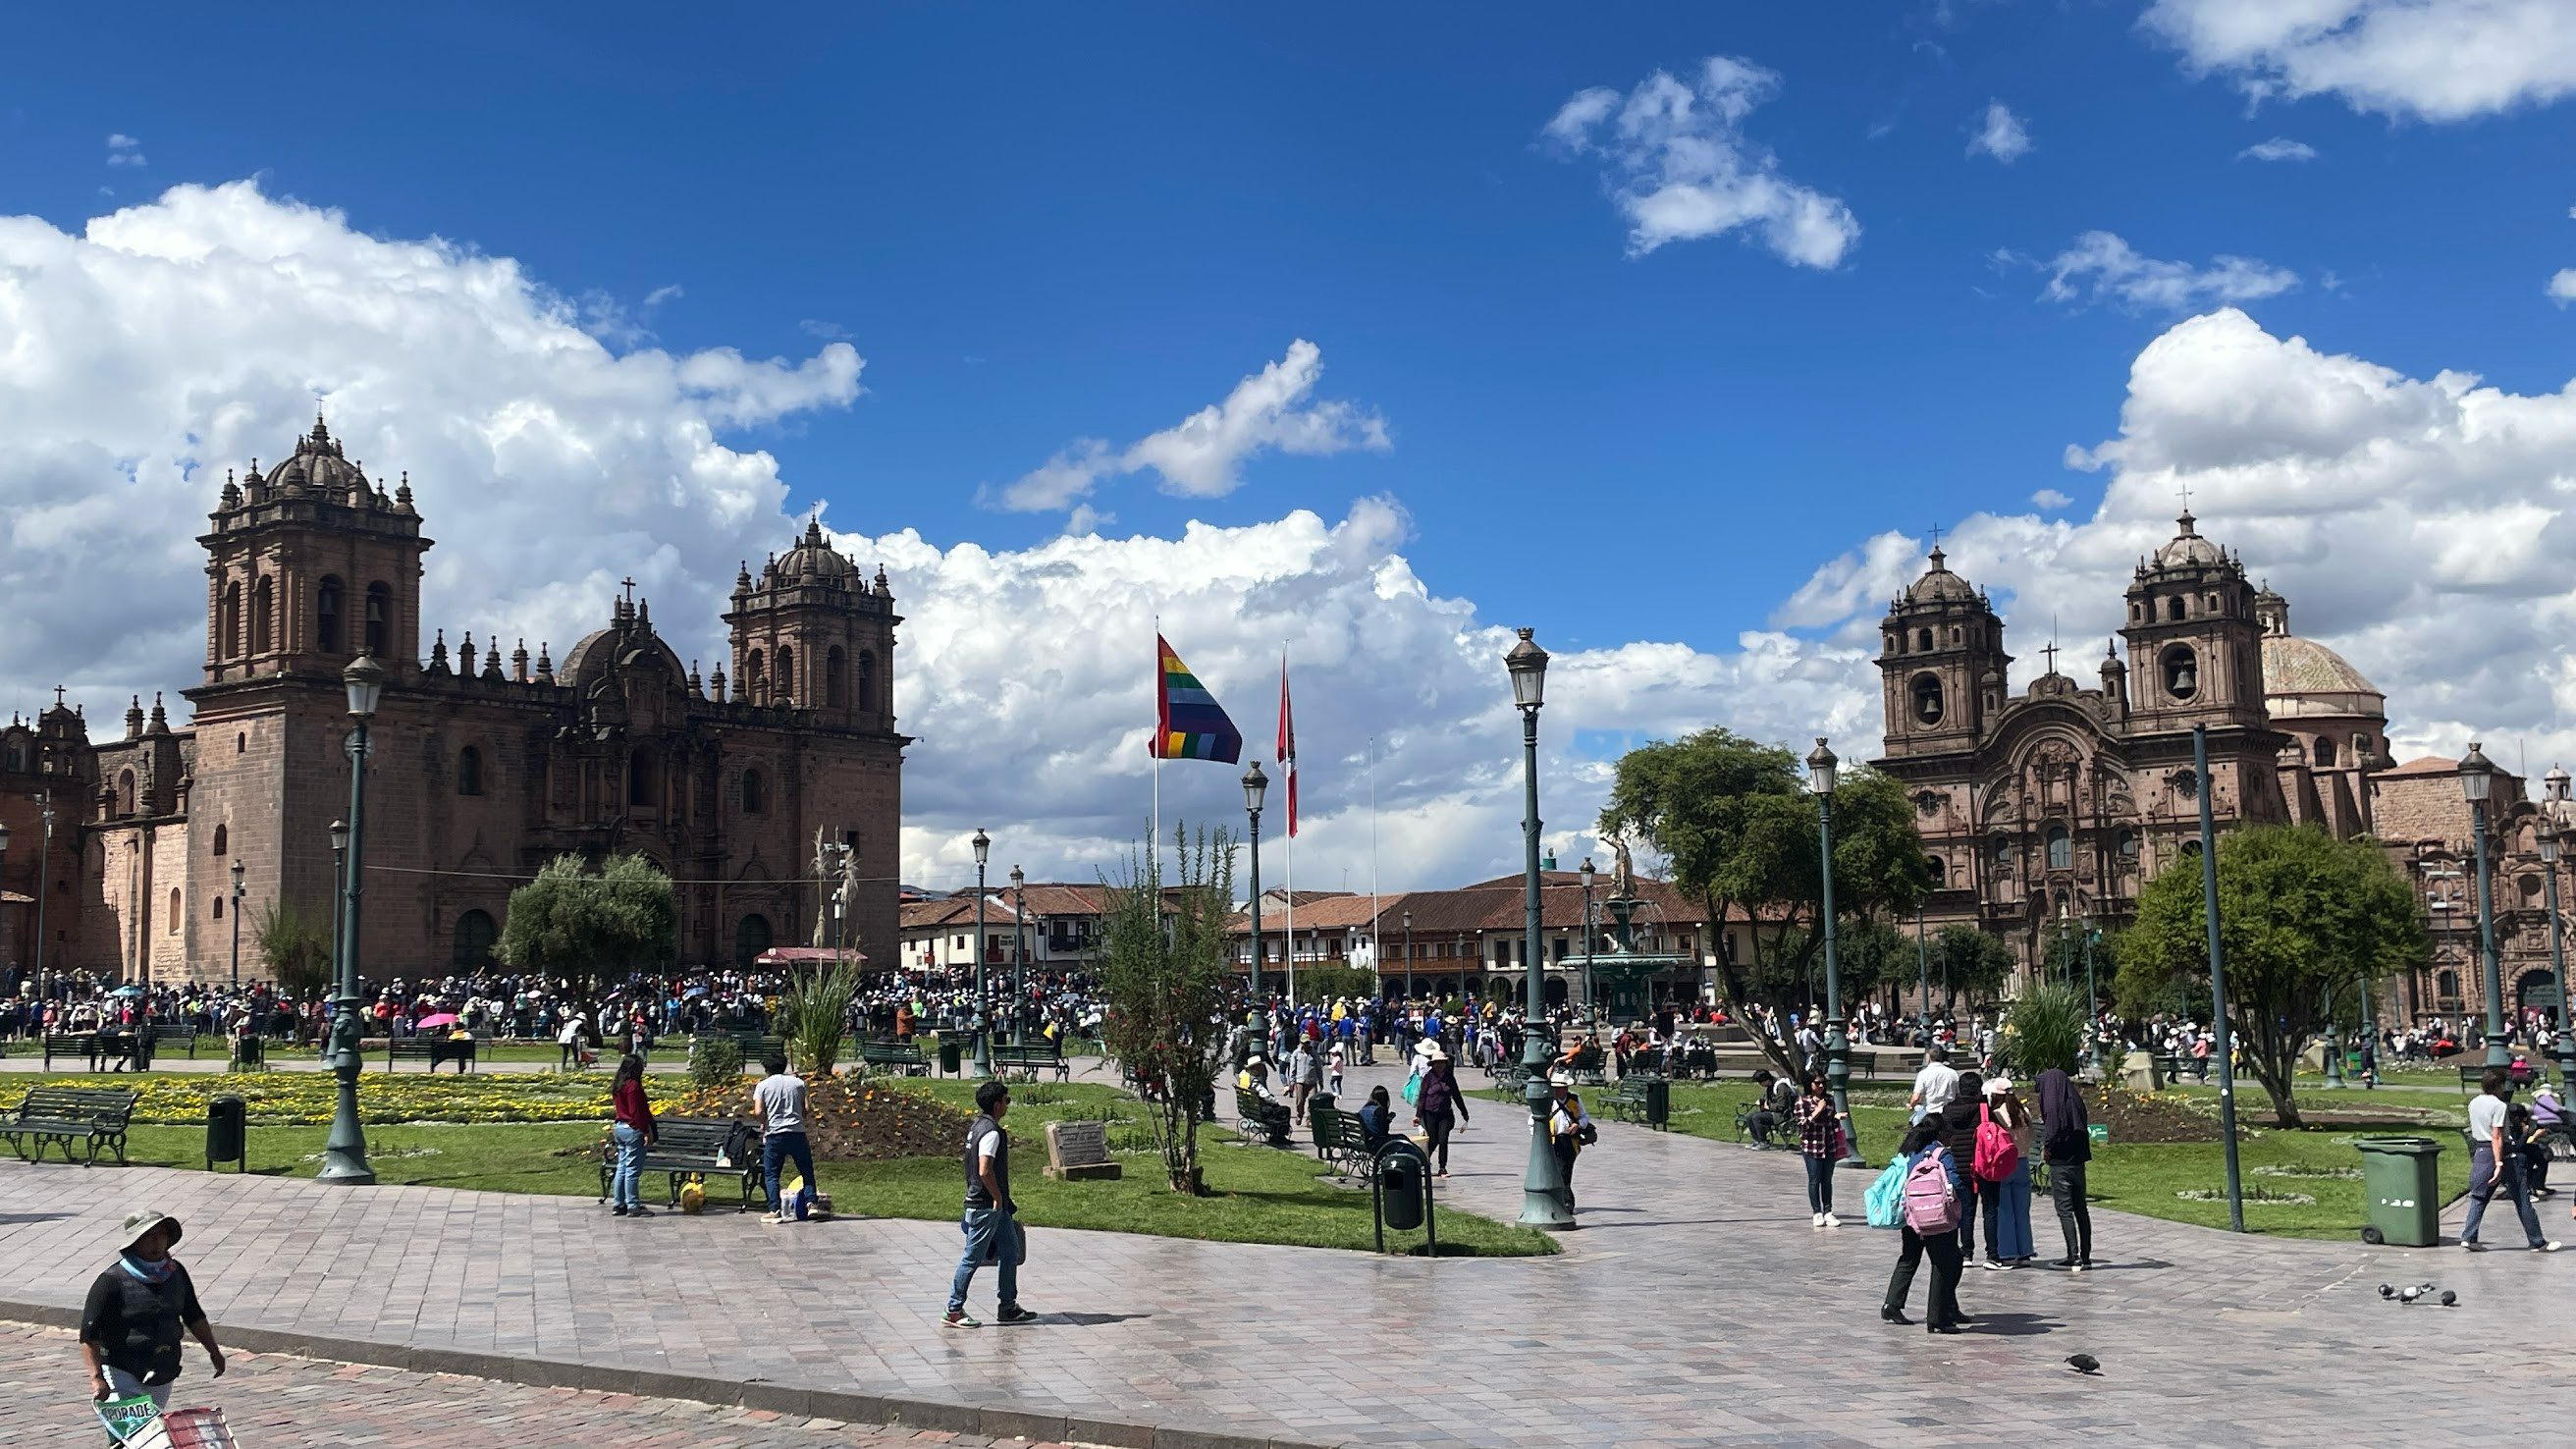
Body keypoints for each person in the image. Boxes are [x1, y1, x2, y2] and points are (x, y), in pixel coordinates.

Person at [80, 1210, 225, 1416]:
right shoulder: (112, 1281)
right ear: (135, 1242)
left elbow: (194, 1315)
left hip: (163, 1368)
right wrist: (97, 1378)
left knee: (152, 1425)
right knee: (131, 1430)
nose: (157, 1242)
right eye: (149, 1237)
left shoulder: (176, 1273)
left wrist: (214, 1352)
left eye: (161, 1235)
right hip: (122, 1369)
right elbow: (89, 1334)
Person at [943, 1080, 1035, 1328]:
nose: (1008, 1104)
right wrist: (996, 1197)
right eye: (1006, 1100)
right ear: (997, 1105)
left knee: (1009, 1252)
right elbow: (985, 1170)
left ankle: (1008, 1307)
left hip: (997, 1208)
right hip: (986, 1206)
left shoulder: (977, 1126)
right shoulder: (991, 1132)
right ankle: (953, 1308)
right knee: (972, 1258)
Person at [1880, 1119, 1966, 1333]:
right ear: (1940, 1133)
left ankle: (1892, 1303)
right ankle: (1938, 1316)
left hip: (1912, 1215)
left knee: (1909, 1257)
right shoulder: (1941, 1154)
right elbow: (1954, 1183)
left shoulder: (1910, 1152)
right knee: (1946, 1264)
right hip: (1937, 1217)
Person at [2462, 1065, 2558, 1252]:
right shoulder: (2498, 1106)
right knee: (2522, 1198)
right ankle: (2537, 1240)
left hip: (2480, 1151)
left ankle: (2469, 1236)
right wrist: (2499, 1163)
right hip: (2502, 1153)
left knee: (2479, 1195)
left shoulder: (2474, 1103)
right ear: (2498, 1085)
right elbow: (2496, 1135)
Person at [2036, 1065, 2094, 1271]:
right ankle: (2085, 1255)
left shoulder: (2054, 1106)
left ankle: (2074, 1255)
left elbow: (2052, 1132)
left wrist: (2047, 1149)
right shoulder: (2075, 1102)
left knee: (2065, 1209)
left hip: (2061, 1162)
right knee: (2080, 1208)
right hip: (2077, 1161)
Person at [1977, 1076, 2036, 1268]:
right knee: (2021, 1210)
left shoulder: (1998, 1114)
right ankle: (2025, 1250)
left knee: (2004, 1209)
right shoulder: (2024, 1111)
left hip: (2006, 1163)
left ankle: (2008, 1251)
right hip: (2023, 1161)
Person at [752, 1053, 815, 1225]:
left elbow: (757, 1112)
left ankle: (775, 1209)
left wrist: (764, 1122)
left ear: (767, 1069)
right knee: (806, 1170)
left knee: (772, 1173)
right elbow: (807, 1108)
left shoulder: (762, 1086)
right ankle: (811, 1203)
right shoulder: (798, 1083)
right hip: (797, 1133)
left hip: (774, 1134)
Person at [1939, 1070, 1985, 1263]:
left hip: (1953, 1163)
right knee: (1970, 1210)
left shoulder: (1948, 1110)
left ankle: (1955, 1250)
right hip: (1976, 1164)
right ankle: (1968, 1250)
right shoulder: (1982, 1109)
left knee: (1952, 1208)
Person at [609, 1052, 659, 1217]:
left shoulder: (618, 1084)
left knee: (621, 1167)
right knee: (632, 1169)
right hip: (632, 1128)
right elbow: (636, 1111)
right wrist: (645, 1131)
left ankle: (618, 1203)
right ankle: (633, 1205)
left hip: (620, 1127)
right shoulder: (633, 1086)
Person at [1413, 1045, 1471, 1177]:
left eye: (1442, 1063)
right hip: (1430, 1112)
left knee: (1443, 1139)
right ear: (1433, 1064)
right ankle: (1423, 1161)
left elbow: (1456, 1095)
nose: (1439, 1066)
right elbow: (1422, 1096)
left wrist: (1464, 1112)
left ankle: (1442, 1167)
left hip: (1445, 1113)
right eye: (1437, 1063)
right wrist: (1418, 1115)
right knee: (1433, 1140)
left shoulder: (1449, 1078)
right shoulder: (1428, 1077)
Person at [1796, 1070, 1841, 1227]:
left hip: (1829, 1145)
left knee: (1826, 1180)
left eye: (1823, 1082)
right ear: (1810, 1084)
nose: (1821, 1086)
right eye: (1817, 1083)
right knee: (1814, 1180)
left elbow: (1832, 1121)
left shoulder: (1829, 1099)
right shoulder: (1803, 1101)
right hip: (1812, 1146)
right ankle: (1817, 1212)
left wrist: (1837, 1117)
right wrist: (1817, 1111)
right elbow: (1802, 1125)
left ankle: (1828, 1211)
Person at [1546, 1071, 1593, 1216]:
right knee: (1556, 1173)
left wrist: (1578, 1125)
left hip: (1569, 1141)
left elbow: (1585, 1117)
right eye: (1554, 1088)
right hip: (1552, 1140)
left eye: (1559, 1088)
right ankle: (1561, 1201)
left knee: (1565, 1172)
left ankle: (1566, 1202)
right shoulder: (1547, 1101)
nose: (1556, 1091)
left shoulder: (1574, 1099)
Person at [1908, 1046, 1959, 1124]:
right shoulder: (1953, 1073)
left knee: (1916, 1114)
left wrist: (1911, 1106)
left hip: (1930, 1112)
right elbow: (1958, 1094)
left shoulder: (1923, 1074)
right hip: (1948, 1112)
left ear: (1928, 1056)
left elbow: (1916, 1098)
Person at [1356, 1084, 1394, 1152]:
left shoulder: (1363, 1109)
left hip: (1365, 1141)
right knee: (1403, 1138)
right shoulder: (1380, 1110)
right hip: (1376, 1143)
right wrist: (1388, 1119)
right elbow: (1383, 1133)